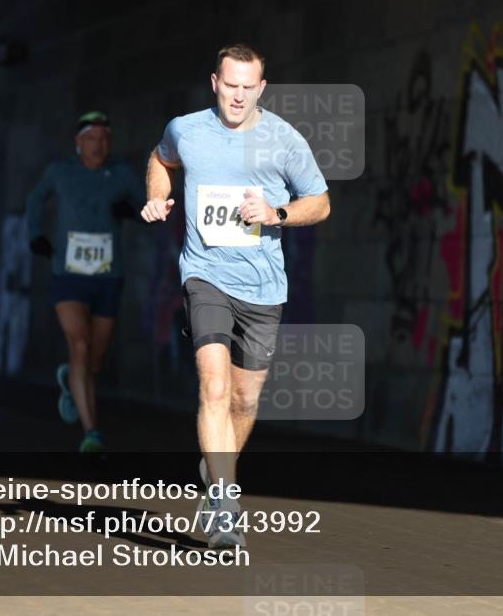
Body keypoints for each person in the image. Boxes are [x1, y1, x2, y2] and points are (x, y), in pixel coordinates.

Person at [141, 43, 330, 547]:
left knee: (245, 401)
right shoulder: (187, 129)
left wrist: (277, 215)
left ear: (261, 88)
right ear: (214, 82)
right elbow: (160, 158)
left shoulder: (284, 139)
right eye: (231, 85)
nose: (239, 95)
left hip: (264, 285)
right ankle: (226, 504)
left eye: (249, 87)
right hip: (204, 276)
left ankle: (215, 472)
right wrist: (157, 197)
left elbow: (321, 201)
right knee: (216, 389)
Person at [27, 111, 142, 453]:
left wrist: (133, 211)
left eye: (105, 138)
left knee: (94, 359)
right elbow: (36, 198)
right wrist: (35, 234)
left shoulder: (121, 173)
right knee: (78, 343)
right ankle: (92, 432)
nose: (99, 145)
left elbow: (150, 208)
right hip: (69, 274)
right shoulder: (60, 171)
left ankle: (70, 381)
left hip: (108, 276)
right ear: (79, 143)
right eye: (91, 138)